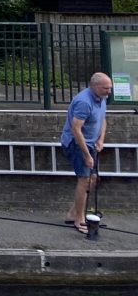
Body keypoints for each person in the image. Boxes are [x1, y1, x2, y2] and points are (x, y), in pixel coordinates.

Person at [61, 71, 112, 234]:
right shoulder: (84, 102)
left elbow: (102, 119)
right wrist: (87, 155)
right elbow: (76, 129)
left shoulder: (101, 98)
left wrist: (101, 139)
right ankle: (79, 220)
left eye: (110, 88)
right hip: (77, 143)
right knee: (84, 179)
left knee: (93, 179)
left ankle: (72, 213)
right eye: (105, 88)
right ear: (95, 86)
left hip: (92, 143)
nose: (109, 92)